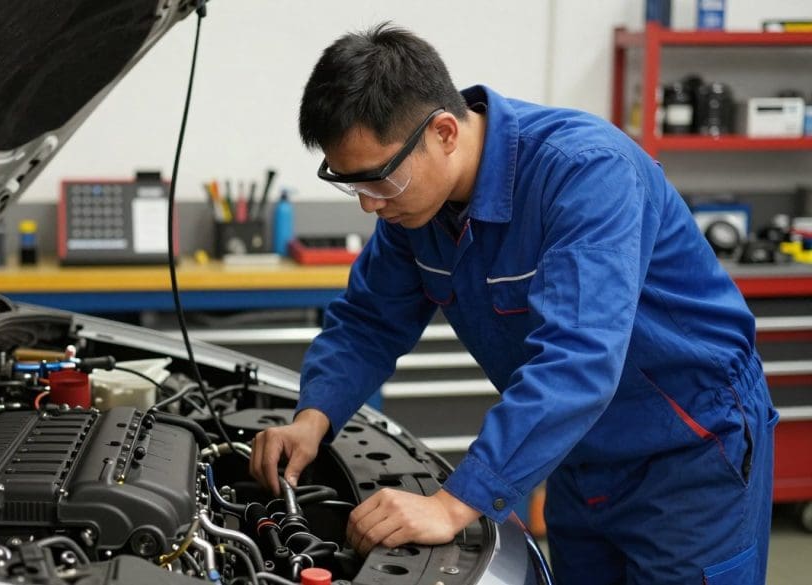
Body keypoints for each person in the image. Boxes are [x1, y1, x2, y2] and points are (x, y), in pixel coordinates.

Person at [248, 23, 777, 584]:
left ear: (444, 132)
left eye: (377, 181)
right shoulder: (414, 209)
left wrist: (454, 504)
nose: (367, 206)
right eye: (349, 184)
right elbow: (368, 322)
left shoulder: (585, 173)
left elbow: (579, 361)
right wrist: (314, 417)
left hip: (691, 453)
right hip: (580, 455)